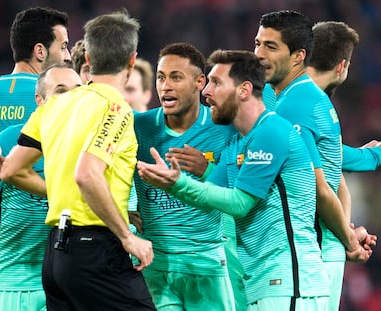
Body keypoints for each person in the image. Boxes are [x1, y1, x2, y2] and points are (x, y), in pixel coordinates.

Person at [137, 49, 332, 311]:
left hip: (290, 279)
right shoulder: (236, 142)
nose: (207, 91)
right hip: (262, 281)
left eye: (216, 83)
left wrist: (177, 183)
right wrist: (170, 182)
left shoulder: (271, 131)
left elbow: (240, 203)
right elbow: (210, 197)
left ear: (243, 90)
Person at [0, 11, 156, 310]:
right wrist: (127, 237)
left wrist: (59, 192)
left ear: (88, 58)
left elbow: (11, 169)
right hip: (96, 251)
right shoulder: (115, 108)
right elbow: (86, 175)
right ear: (132, 60)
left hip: (56, 254)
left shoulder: (55, 105)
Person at [254, 10, 375, 310]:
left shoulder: (276, 96)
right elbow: (320, 182)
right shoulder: (301, 102)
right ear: (342, 66)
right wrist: (348, 238)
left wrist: (347, 232)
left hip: (298, 247)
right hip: (308, 246)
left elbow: (326, 165)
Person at [0, 6, 70, 309]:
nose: (67, 55)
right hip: (55, 256)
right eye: (62, 46)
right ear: (40, 51)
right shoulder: (58, 103)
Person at [134, 42, 236, 310]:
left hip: (207, 263)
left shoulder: (223, 130)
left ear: (199, 82)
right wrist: (124, 212)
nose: (165, 86)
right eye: (160, 77)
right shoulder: (138, 127)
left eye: (176, 77)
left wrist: (208, 170)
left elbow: (242, 195)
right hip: (157, 266)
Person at [306, 21, 381, 173]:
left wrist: (361, 153)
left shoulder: (284, 87)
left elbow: (319, 150)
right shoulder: (312, 100)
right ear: (341, 66)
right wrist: (374, 155)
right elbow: (325, 154)